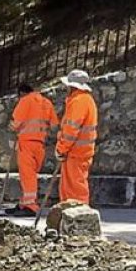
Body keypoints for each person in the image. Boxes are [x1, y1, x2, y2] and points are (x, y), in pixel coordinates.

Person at [7, 83, 57, 217]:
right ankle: (24, 203)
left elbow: (15, 123)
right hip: (40, 145)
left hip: (26, 143)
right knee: (32, 174)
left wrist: (12, 132)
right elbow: (54, 124)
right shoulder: (47, 103)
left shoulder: (25, 101)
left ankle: (30, 205)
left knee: (27, 175)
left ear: (22, 93)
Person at [55, 69, 98, 205]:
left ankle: (78, 219)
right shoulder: (87, 100)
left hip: (75, 152)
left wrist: (61, 149)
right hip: (80, 152)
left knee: (74, 191)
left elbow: (71, 130)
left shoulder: (78, 101)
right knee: (73, 187)